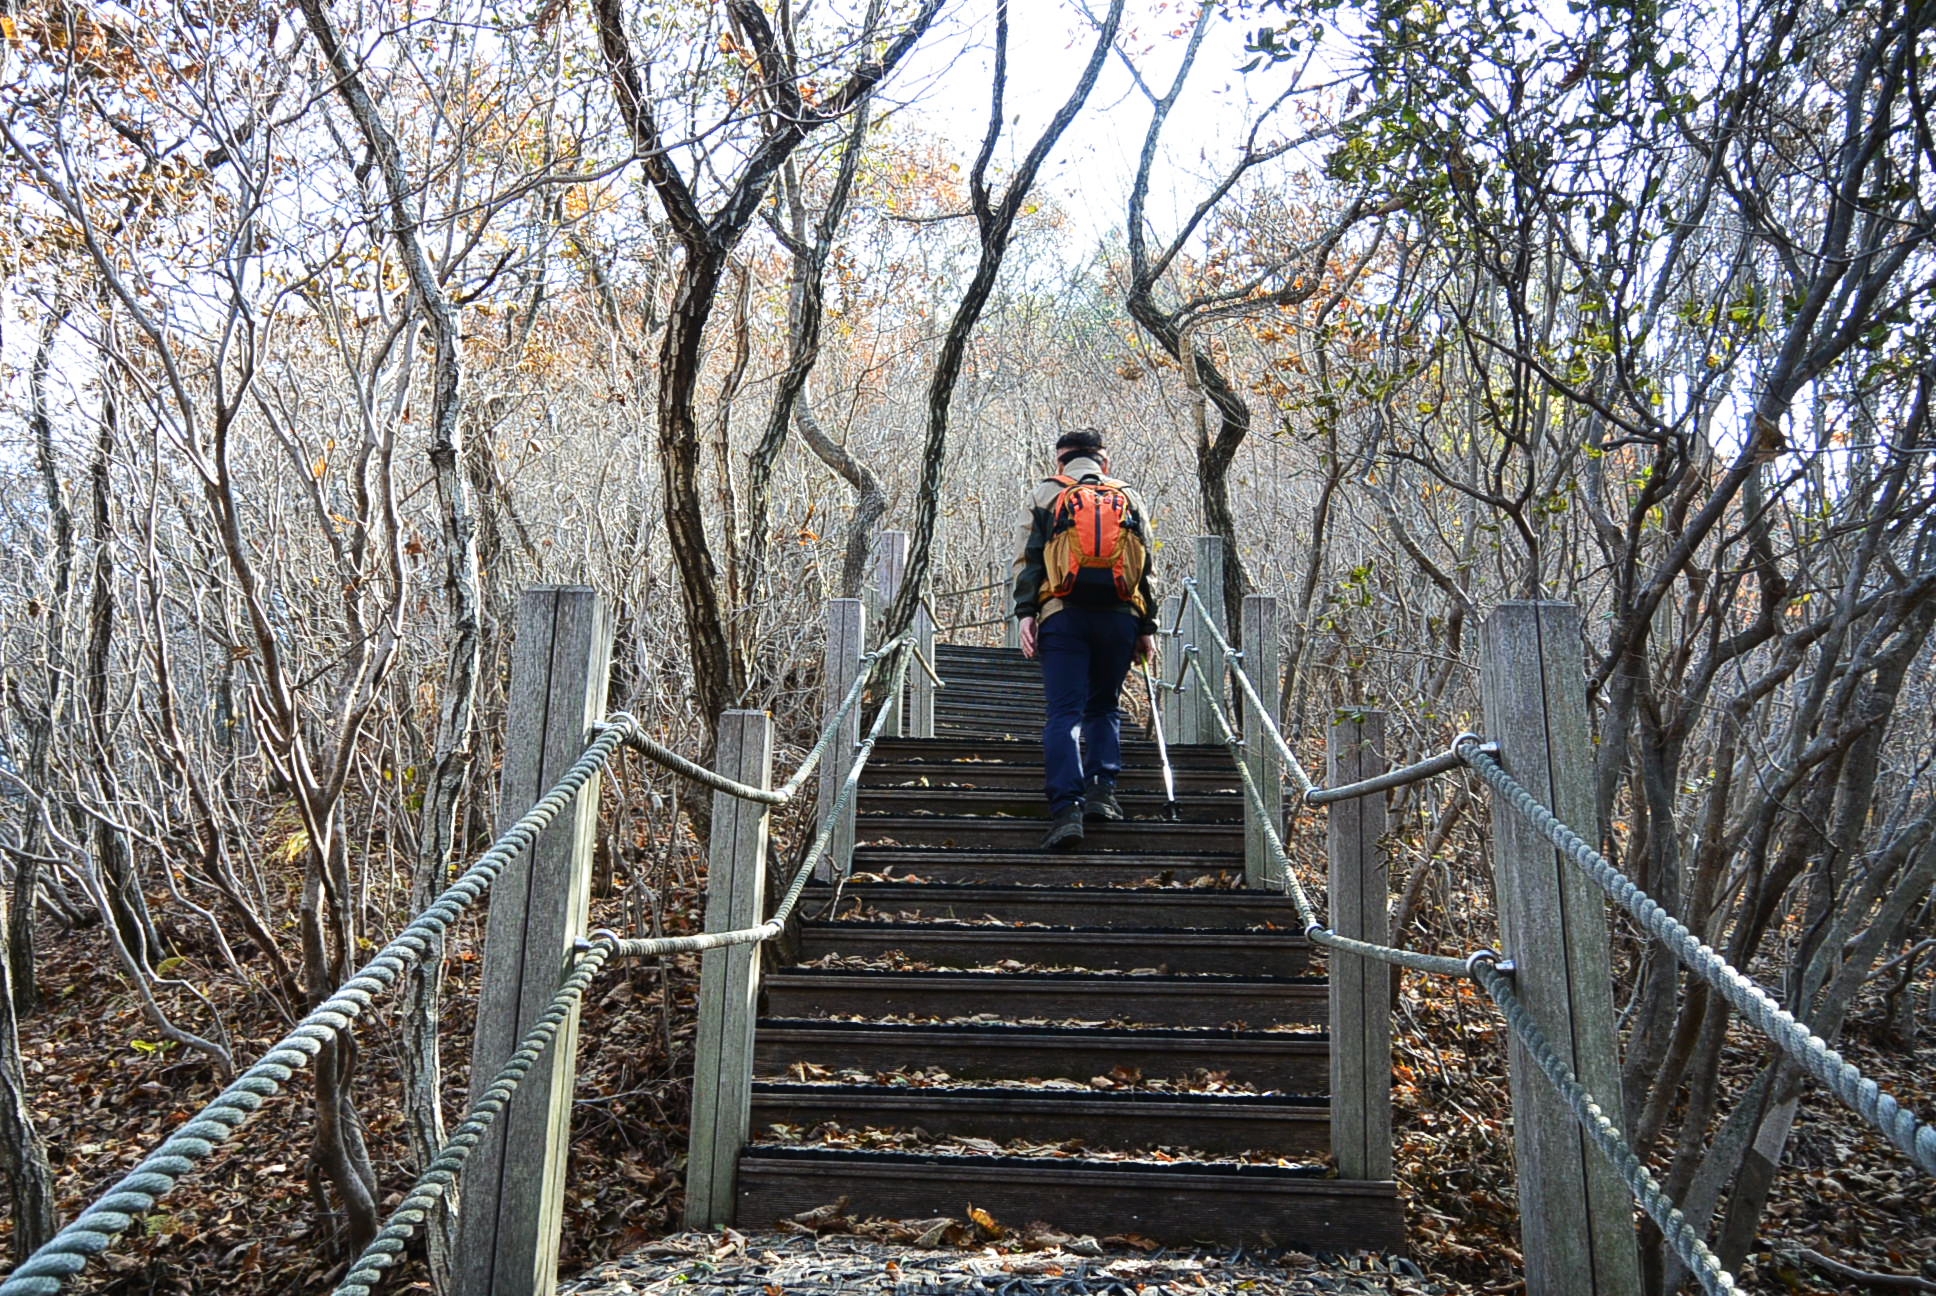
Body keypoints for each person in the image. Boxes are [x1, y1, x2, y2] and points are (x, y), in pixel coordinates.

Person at [1010, 429, 1160, 850]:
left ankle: (1067, 809)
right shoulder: (1127, 496)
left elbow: (1027, 559)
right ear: (1103, 461)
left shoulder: (1046, 493)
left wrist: (1026, 614)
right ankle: (1102, 792)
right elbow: (1146, 566)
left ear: (1061, 461)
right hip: (1120, 616)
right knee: (1104, 705)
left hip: (1062, 614)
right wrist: (1147, 626)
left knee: (1064, 712)